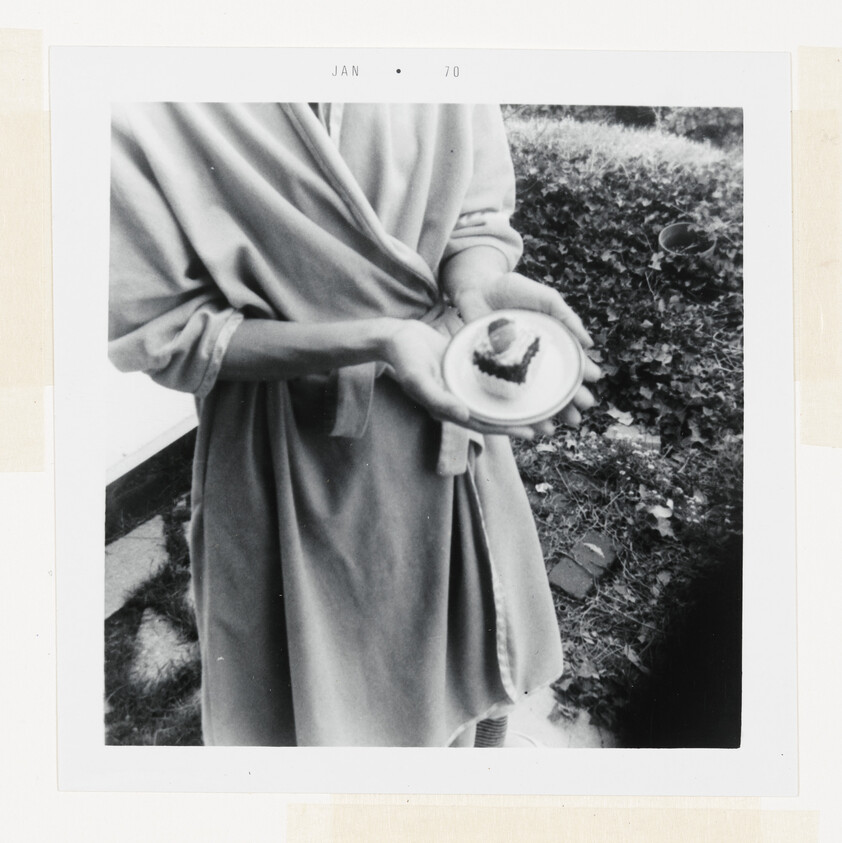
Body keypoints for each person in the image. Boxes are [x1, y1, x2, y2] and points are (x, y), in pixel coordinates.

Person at [109, 102, 599, 747]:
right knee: (338, 699)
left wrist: (477, 290)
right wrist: (377, 338)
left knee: (472, 657)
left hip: (447, 395)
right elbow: (168, 332)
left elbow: (475, 221)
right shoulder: (144, 99)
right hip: (286, 438)